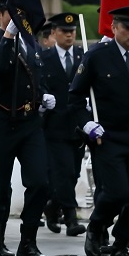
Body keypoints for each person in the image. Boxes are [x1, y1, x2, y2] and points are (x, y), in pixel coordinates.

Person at [69, 6, 129, 256]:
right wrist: (87, 124)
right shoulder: (97, 56)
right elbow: (75, 97)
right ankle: (97, 225)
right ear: (114, 28)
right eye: (128, 28)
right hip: (108, 136)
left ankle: (121, 244)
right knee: (116, 193)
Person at [0, 5, 54, 256]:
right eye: (12, 14)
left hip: (29, 122)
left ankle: (28, 243)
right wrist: (8, 37)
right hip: (1, 120)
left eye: (22, 14)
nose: (18, 19)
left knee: (40, 182)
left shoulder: (31, 43)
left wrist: (43, 94)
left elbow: (36, 75)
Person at [37, 13, 87, 238]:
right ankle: (70, 218)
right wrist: (42, 99)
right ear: (54, 33)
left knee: (73, 174)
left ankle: (52, 206)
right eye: (65, 31)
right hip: (54, 125)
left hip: (77, 125)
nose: (69, 35)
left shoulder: (83, 56)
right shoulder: (43, 58)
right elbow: (36, 85)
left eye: (72, 31)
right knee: (63, 172)